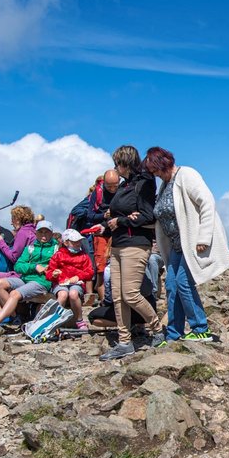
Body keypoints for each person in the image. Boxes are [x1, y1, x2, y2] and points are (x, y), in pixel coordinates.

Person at [145, 147, 229, 344]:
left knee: (183, 282)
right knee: (171, 285)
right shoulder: (165, 185)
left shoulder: (187, 175)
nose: (154, 174)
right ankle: (174, 333)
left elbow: (207, 202)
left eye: (154, 169)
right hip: (176, 245)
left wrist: (203, 237)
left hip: (192, 243)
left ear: (162, 163)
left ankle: (201, 328)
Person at [97, 145, 160, 360]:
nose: (116, 167)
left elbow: (147, 215)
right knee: (117, 296)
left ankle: (157, 328)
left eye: (117, 164)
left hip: (136, 243)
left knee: (130, 294)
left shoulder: (144, 182)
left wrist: (120, 220)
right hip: (118, 244)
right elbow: (123, 214)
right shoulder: (127, 184)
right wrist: (108, 223)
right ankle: (124, 341)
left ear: (126, 163)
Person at [0, 221, 58, 329]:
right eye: (41, 232)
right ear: (36, 233)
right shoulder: (30, 248)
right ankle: (15, 317)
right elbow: (18, 266)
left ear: (51, 233)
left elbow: (56, 268)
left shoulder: (56, 249)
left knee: (15, 294)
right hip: (25, 279)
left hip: (42, 281)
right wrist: (34, 267)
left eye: (47, 232)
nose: (43, 235)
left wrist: (45, 269)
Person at [46, 229, 94, 330]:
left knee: (73, 294)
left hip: (77, 283)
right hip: (61, 283)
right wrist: (54, 275)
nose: (78, 243)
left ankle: (79, 320)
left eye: (79, 241)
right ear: (66, 242)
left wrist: (78, 277)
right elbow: (49, 273)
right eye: (74, 241)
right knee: (63, 295)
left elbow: (89, 272)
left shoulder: (83, 256)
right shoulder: (58, 255)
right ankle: (53, 321)